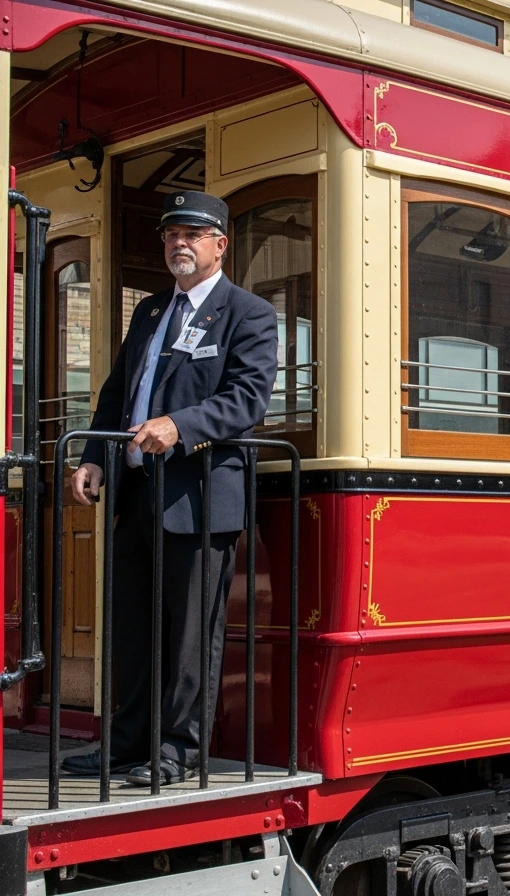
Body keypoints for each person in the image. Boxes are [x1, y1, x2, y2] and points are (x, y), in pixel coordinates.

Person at [61, 191, 278, 786]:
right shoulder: (151, 311)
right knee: (132, 626)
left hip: (200, 494)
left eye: (191, 234)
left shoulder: (248, 313)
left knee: (190, 634)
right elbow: (118, 392)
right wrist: (94, 457)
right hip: (136, 490)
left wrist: (180, 426)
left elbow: (247, 400)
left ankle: (179, 751)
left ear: (219, 245)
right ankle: (127, 743)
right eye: (170, 234)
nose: (178, 244)